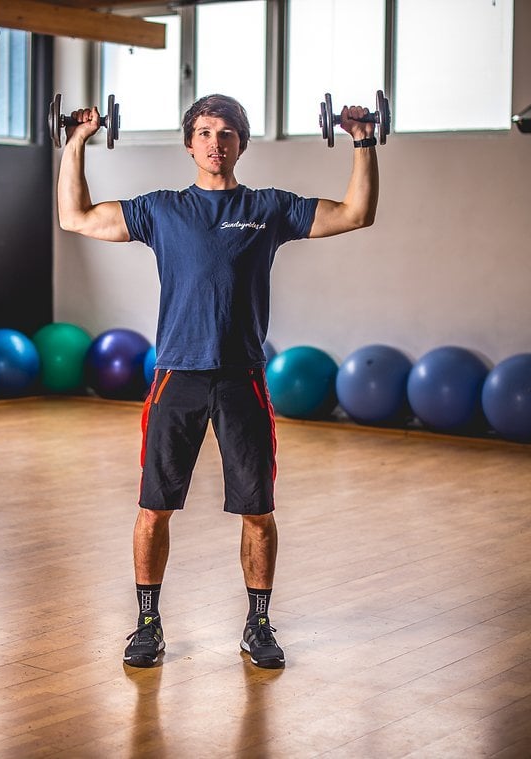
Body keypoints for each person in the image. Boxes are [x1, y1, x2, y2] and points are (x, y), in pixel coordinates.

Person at [57, 93, 379, 669]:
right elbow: (74, 216)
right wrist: (76, 141)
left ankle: (258, 626)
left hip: (242, 379)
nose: (214, 142)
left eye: (226, 133)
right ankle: (147, 625)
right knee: (155, 507)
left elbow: (356, 212)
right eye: (204, 132)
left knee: (257, 509)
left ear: (241, 144)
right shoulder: (161, 210)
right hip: (176, 376)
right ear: (189, 144)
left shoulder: (268, 207)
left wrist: (362, 140)